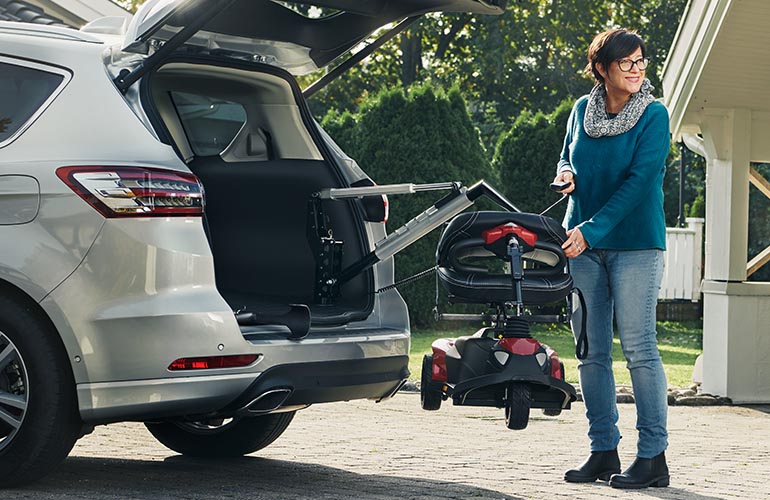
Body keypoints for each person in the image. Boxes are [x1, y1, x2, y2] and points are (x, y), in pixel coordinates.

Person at [553, 28, 671, 489]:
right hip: (581, 243)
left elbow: (641, 181)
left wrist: (591, 230)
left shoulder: (654, 115)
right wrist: (565, 174)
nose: (638, 70)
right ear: (602, 69)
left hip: (636, 244)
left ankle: (652, 458)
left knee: (640, 350)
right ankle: (603, 451)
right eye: (627, 63)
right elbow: (568, 156)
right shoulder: (582, 110)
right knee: (590, 352)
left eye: (642, 61)